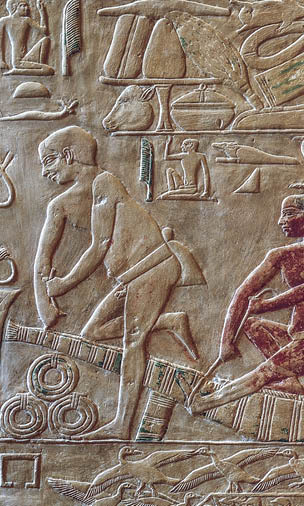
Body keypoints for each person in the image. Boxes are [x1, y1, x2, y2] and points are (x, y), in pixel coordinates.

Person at [34, 126, 204, 439]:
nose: (45, 172)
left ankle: (121, 425)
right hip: (131, 276)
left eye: (49, 161)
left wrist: (64, 284)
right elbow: (46, 251)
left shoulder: (104, 183)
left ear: (69, 155)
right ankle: (169, 322)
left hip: (152, 269)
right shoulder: (65, 201)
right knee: (92, 332)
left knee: (132, 343)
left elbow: (100, 246)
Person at [187, 193, 304, 414]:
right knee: (252, 324)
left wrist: (266, 305)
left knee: (262, 374)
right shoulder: (280, 255)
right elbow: (242, 293)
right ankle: (287, 380)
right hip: (294, 337)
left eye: (288, 214)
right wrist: (226, 341)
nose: (281, 221)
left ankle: (203, 404)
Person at [0, 0, 52, 75]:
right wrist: (1, 60)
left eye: (27, 6)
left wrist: (42, 12)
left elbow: (44, 31)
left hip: (27, 57)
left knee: (46, 40)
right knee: (48, 70)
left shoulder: (26, 20)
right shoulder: (5, 20)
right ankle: (15, 71)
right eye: (23, 5)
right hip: (18, 61)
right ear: (15, 6)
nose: (27, 8)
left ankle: (37, 66)